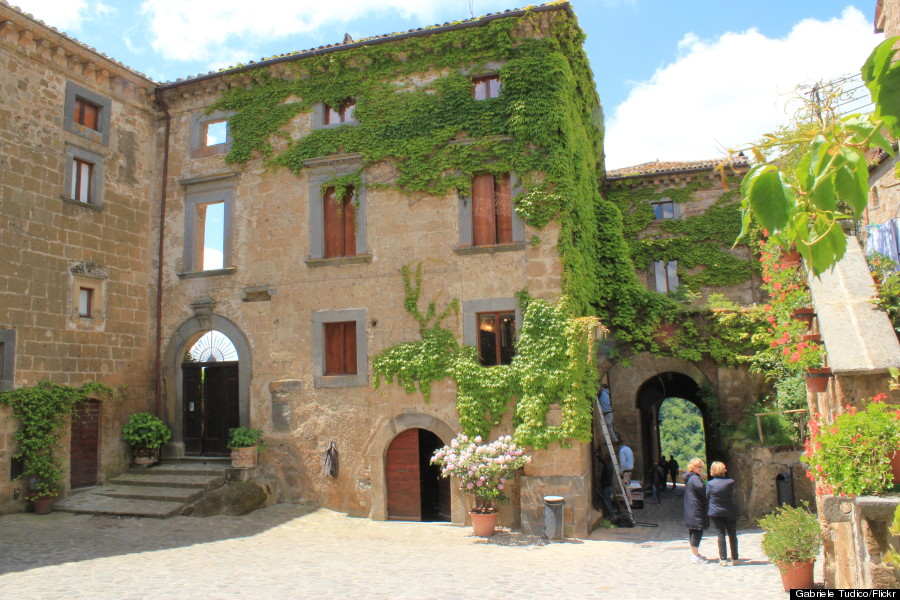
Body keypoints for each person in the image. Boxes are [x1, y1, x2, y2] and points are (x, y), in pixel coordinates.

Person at [707, 461, 740, 566]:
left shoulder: (710, 483)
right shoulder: (730, 482)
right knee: (732, 534)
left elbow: (707, 496)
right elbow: (732, 494)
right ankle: (735, 558)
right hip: (730, 510)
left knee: (721, 534)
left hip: (716, 511)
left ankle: (723, 559)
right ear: (723, 470)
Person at [683, 458, 708, 564]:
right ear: (692, 467)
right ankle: (695, 555)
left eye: (701, 467)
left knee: (693, 532)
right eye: (698, 467)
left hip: (690, 509)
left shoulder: (690, 478)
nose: (700, 469)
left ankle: (695, 553)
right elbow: (703, 490)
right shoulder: (695, 479)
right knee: (697, 532)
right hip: (696, 509)